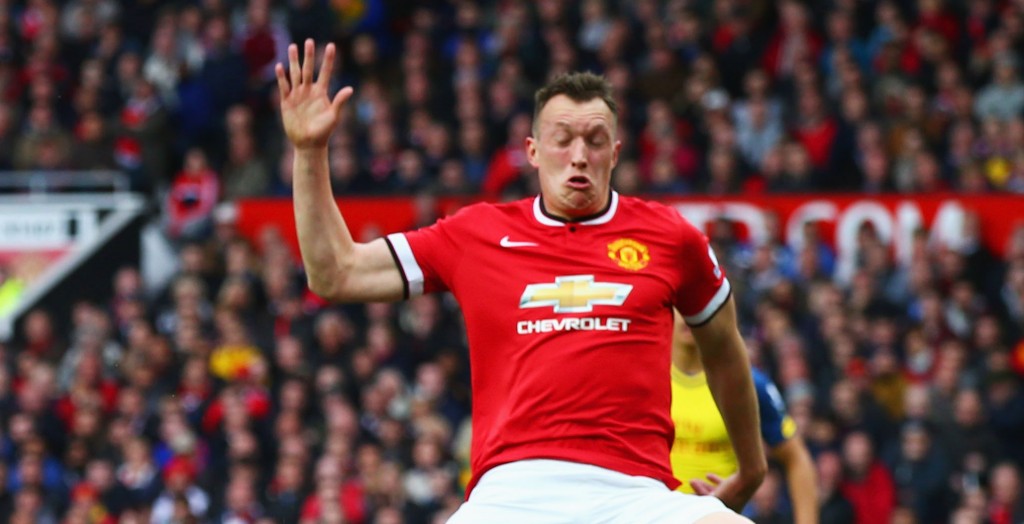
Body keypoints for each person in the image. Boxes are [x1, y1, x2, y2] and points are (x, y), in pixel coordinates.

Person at [276, 39, 766, 523]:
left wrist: (751, 469)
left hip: (635, 493)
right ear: (532, 151)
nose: (579, 156)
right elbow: (335, 273)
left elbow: (723, 347)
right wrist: (310, 151)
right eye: (563, 139)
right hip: (511, 493)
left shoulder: (671, 238)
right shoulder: (475, 234)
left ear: (614, 154)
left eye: (595, 141)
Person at [669, 311, 819, 524]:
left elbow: (797, 459)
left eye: (694, 302)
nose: (687, 313)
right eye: (679, 304)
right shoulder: (641, 378)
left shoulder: (746, 383)